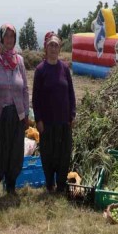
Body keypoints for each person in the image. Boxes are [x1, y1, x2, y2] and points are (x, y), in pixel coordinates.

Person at [0, 24, 29, 198]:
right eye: (6, 36)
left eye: (12, 37)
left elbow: (24, 88)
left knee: (14, 151)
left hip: (16, 114)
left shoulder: (19, 61)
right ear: (1, 38)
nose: (9, 40)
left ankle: (10, 186)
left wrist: (24, 113)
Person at [32, 33, 76, 192]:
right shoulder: (40, 70)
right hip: (47, 122)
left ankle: (61, 185)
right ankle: (50, 184)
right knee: (48, 154)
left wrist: (72, 114)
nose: (53, 48)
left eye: (56, 45)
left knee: (63, 154)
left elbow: (71, 93)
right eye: (50, 45)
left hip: (64, 120)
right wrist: (38, 120)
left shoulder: (64, 68)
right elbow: (35, 98)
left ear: (60, 48)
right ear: (46, 47)